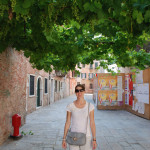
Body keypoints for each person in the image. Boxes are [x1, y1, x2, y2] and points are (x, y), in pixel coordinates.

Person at [62, 84, 97, 150]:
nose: (79, 92)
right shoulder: (70, 106)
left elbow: (92, 123)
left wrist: (94, 139)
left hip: (86, 137)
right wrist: (64, 138)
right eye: (77, 91)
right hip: (73, 137)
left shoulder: (90, 106)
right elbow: (67, 123)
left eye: (81, 90)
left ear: (84, 91)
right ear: (75, 93)